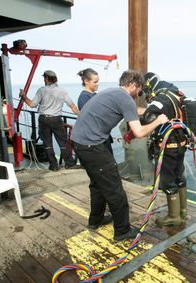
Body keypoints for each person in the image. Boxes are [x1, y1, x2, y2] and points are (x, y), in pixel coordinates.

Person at [71, 70, 169, 241]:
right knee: (115, 189)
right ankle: (122, 231)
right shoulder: (126, 99)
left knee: (97, 183)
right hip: (92, 146)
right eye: (139, 90)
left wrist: (148, 110)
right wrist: (158, 121)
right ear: (133, 85)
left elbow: (134, 110)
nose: (139, 94)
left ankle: (96, 219)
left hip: (78, 142)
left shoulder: (112, 92)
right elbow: (138, 132)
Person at [140, 72, 189, 227]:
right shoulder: (175, 93)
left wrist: (141, 117)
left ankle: (173, 217)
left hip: (168, 147)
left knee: (168, 180)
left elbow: (147, 118)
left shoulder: (160, 99)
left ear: (149, 86)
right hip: (181, 144)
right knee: (179, 176)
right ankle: (183, 211)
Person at [19, 70, 80, 171]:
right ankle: (69, 164)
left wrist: (23, 96)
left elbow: (32, 104)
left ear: (47, 78)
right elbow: (72, 106)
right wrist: (80, 115)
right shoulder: (62, 91)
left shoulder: (42, 90)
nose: (44, 79)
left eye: (44, 78)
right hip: (56, 119)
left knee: (48, 143)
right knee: (63, 143)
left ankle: (54, 166)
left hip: (44, 119)